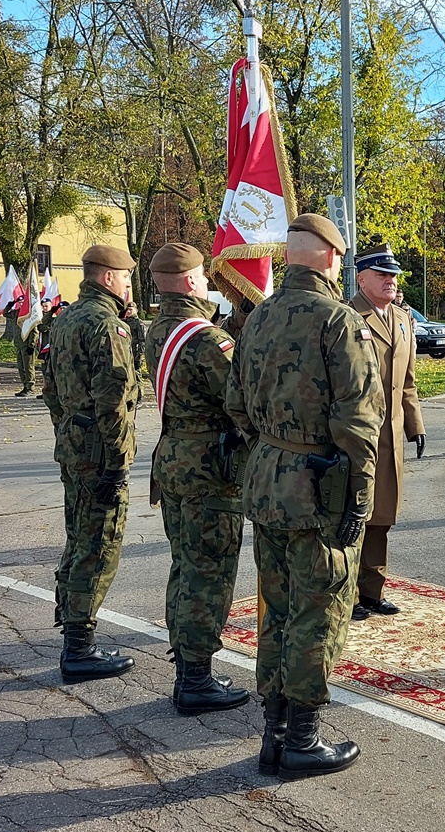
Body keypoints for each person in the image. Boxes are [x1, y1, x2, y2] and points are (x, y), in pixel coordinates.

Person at [226, 212, 380, 780]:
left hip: (267, 481)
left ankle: (273, 730)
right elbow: (359, 423)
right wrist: (359, 499)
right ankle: (303, 739)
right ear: (328, 257)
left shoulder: (256, 317)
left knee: (278, 609)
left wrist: (273, 445)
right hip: (320, 486)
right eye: (340, 257)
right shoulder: (340, 322)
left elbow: (235, 403)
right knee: (320, 611)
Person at [144, 242, 251, 716]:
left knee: (185, 566)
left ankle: (187, 666)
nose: (209, 282)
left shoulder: (157, 330)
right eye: (204, 276)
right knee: (209, 572)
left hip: (172, 460)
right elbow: (237, 394)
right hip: (210, 468)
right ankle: (196, 678)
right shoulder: (206, 339)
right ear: (190, 281)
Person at [40, 244, 143, 684]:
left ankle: (74, 634)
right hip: (100, 451)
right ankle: (79, 649)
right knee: (97, 544)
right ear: (107, 278)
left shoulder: (64, 320)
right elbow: (114, 401)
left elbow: (51, 390)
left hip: (74, 444)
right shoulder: (106, 326)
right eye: (124, 278)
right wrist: (118, 463)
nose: (128, 284)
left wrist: (68, 432)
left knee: (78, 535)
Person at [349, 243, 425, 620]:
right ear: (362, 278)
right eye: (382, 275)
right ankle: (346, 595)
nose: (392, 281)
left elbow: (406, 381)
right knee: (354, 516)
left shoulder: (401, 318)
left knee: (382, 518)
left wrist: (415, 425)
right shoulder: (349, 316)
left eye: (394, 275)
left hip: (391, 433)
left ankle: (372, 593)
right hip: (358, 435)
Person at [5, 296, 39, 397]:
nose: (20, 304)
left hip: (27, 345)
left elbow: (34, 331)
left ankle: (30, 386)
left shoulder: (29, 314)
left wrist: (31, 345)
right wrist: (9, 305)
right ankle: (25, 385)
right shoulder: (16, 313)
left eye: (22, 302)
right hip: (19, 344)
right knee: (21, 367)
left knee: (28, 367)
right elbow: (5, 314)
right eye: (19, 302)